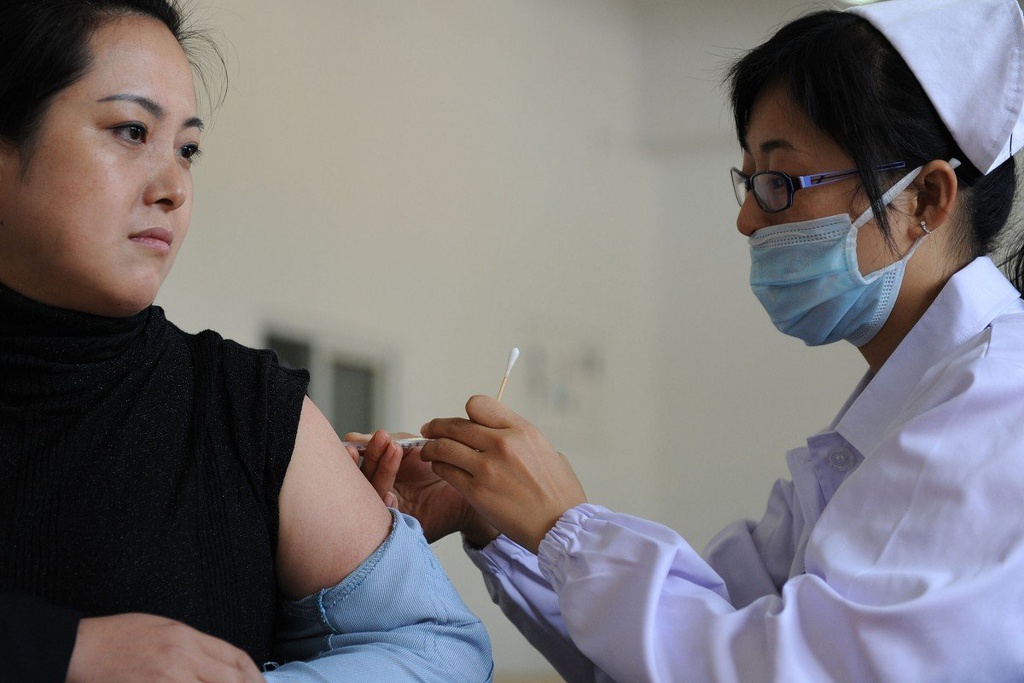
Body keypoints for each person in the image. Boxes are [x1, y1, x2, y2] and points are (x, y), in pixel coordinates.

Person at [355, 0, 1024, 680]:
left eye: (779, 182)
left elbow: (786, 668)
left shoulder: (1000, 402)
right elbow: (691, 635)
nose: (746, 218)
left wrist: (565, 525)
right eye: (749, 181)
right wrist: (500, 516)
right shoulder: (898, 411)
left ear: (925, 199)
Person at [0, 2, 493, 682]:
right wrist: (62, 651)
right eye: (131, 131)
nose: (174, 188)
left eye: (187, 150)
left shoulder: (246, 408)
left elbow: (438, 649)